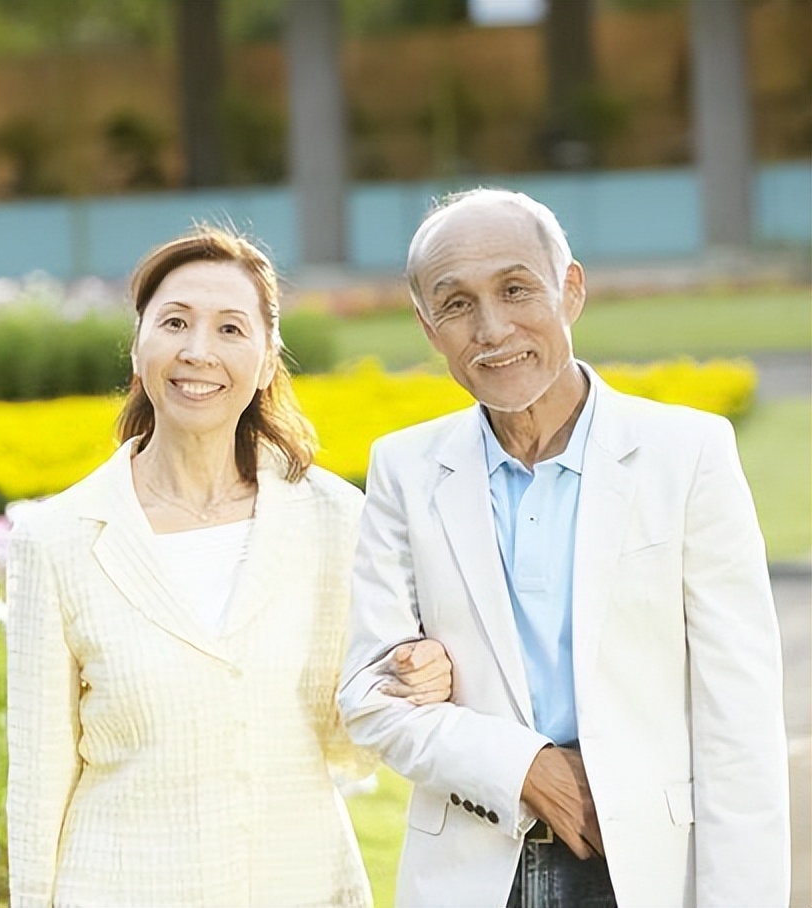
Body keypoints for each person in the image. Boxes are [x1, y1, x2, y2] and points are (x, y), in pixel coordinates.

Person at [338, 188, 790, 908]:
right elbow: (368, 695)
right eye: (456, 305)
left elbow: (738, 713)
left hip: (646, 872)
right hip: (470, 874)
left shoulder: (688, 454)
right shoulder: (405, 468)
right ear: (428, 327)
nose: (492, 328)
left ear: (570, 290)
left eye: (517, 289)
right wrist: (525, 767)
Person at [5, 225, 450, 907]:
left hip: (299, 883)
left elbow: (351, 743)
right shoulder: (56, 537)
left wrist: (411, 678)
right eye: (175, 322)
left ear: (269, 359)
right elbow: (38, 781)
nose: (198, 351)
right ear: (138, 346)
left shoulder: (335, 519)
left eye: (230, 329)